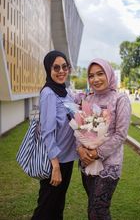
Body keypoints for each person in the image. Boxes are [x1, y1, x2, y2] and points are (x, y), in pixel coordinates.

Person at [77, 58, 131, 220]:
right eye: (91, 75)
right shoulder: (88, 99)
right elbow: (79, 127)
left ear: (109, 74)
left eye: (100, 74)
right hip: (87, 163)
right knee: (93, 207)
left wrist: (96, 153)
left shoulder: (120, 100)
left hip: (108, 165)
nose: (95, 79)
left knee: (97, 210)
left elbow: (120, 134)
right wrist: (80, 149)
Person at [31, 50, 78, 220]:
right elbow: (47, 131)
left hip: (67, 159)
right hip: (55, 161)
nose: (61, 71)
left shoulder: (65, 91)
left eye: (64, 67)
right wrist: (55, 166)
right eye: (56, 67)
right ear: (48, 70)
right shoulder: (49, 93)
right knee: (45, 207)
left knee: (57, 206)